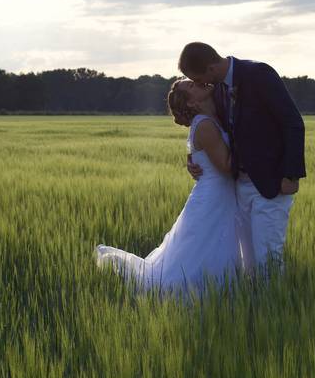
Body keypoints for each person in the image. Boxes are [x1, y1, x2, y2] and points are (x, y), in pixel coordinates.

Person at [94, 79, 240, 296]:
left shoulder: (212, 117)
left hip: (216, 194)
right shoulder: (206, 126)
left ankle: (221, 288)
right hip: (214, 196)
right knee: (203, 248)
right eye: (190, 86)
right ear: (190, 103)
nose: (196, 83)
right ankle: (206, 291)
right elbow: (228, 168)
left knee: (207, 246)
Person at [178, 42, 305, 274]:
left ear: (210, 69)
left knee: (268, 258)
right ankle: (255, 307)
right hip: (239, 185)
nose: (199, 85)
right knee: (249, 263)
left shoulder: (258, 74)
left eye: (197, 79)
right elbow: (212, 129)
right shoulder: (215, 88)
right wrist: (193, 157)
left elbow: (293, 122)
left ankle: (272, 307)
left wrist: (292, 174)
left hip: (271, 183)